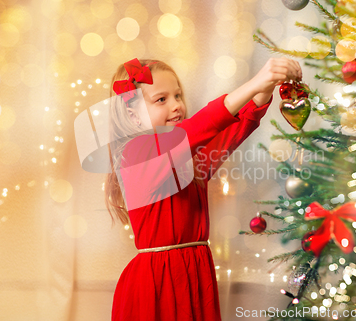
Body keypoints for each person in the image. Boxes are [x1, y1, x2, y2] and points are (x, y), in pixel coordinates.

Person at [104, 57, 302, 321]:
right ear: (133, 115)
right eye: (161, 99)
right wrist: (254, 82)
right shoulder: (137, 154)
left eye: (178, 95)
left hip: (194, 272)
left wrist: (262, 91)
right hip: (158, 282)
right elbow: (200, 126)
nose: (177, 106)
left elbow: (230, 132)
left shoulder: (187, 156)